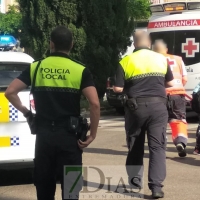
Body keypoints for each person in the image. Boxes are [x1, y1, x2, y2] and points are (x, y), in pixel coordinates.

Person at [5, 26, 100, 200]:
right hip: (71, 139)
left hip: (44, 137)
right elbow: (94, 103)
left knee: (44, 187)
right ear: (71, 45)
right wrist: (92, 134)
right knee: (71, 189)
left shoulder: (37, 67)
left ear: (51, 44)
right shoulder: (79, 69)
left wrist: (27, 113)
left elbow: (10, 92)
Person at [113, 31, 174, 199]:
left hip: (135, 108)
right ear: (149, 43)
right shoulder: (161, 59)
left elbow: (117, 89)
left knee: (135, 144)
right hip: (158, 107)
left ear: (134, 44)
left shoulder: (126, 61)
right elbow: (170, 82)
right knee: (157, 147)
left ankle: (134, 183)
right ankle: (156, 188)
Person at [153, 39, 188, 157]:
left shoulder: (153, 60)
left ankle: (161, 146)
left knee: (159, 122)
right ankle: (181, 141)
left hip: (159, 95)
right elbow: (185, 79)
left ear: (153, 50)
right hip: (177, 94)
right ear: (166, 49)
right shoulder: (178, 59)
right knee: (178, 120)